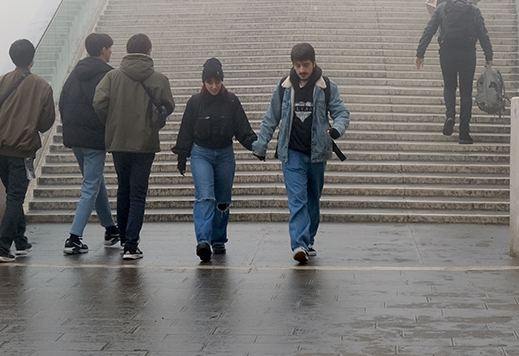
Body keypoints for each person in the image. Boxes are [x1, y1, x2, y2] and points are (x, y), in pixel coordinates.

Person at [252, 43, 351, 264]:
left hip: (317, 153)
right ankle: (299, 244)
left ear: (314, 63)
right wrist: (261, 144)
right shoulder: (284, 87)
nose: (302, 70)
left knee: (313, 199)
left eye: (306, 65)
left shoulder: (326, 87)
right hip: (292, 153)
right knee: (297, 200)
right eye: (298, 65)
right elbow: (271, 117)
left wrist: (337, 129)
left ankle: (309, 240)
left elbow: (342, 112)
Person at [93, 32, 175, 260]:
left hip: (119, 141)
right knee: (138, 193)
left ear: (127, 51)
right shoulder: (159, 79)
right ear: (149, 51)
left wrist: (111, 123)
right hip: (145, 142)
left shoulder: (112, 77)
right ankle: (131, 243)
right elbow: (169, 105)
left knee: (123, 189)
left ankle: (123, 239)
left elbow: (98, 102)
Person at [0, 39, 56, 262]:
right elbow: (47, 122)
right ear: (32, 59)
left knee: (12, 195)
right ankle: (1, 247)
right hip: (23, 151)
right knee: (16, 197)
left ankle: (20, 241)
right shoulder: (42, 87)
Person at [172, 58, 258, 262]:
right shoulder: (195, 102)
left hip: (225, 154)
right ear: (203, 82)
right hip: (201, 153)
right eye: (209, 82)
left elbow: (242, 129)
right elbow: (185, 130)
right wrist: (182, 156)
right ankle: (203, 241)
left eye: (217, 81)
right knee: (205, 197)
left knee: (223, 200)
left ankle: (218, 238)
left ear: (222, 81)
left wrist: (256, 145)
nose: (213, 86)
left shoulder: (231, 101)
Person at [56, 33, 121, 255]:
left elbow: (62, 102)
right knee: (91, 185)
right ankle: (74, 238)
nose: (112, 52)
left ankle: (111, 229)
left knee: (95, 181)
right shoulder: (109, 75)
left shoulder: (74, 74)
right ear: (103, 50)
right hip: (94, 138)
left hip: (75, 138)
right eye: (110, 48)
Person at [415, 0, 494, 145]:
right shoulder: (473, 9)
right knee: (466, 92)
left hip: (447, 53)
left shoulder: (442, 8)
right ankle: (464, 132)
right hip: (468, 54)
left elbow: (429, 30)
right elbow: (483, 33)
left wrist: (420, 53)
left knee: (449, 86)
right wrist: (488, 56)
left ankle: (450, 115)